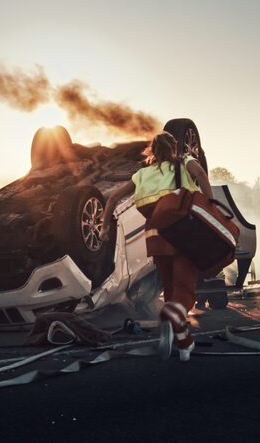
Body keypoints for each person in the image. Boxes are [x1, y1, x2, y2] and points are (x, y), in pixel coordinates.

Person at [99, 132, 214, 362]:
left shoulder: (142, 174)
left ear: (152, 150)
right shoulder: (184, 162)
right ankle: (171, 315)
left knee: (170, 289)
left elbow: (112, 199)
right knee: (185, 290)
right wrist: (212, 207)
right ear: (174, 148)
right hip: (183, 235)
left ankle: (182, 344)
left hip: (155, 239)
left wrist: (104, 228)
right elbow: (201, 174)